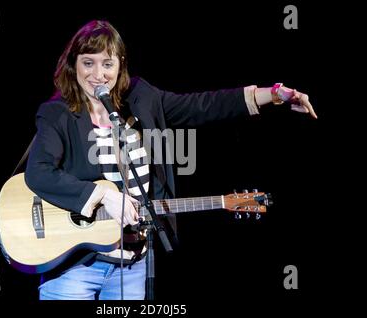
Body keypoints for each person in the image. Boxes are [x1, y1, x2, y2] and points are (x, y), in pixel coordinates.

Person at [24, 20, 317, 300]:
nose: (98, 74)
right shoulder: (57, 113)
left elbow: (203, 106)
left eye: (107, 63)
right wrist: (101, 196)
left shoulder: (141, 98)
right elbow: (38, 173)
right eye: (88, 62)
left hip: (134, 264)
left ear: (120, 65)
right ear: (74, 64)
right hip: (76, 267)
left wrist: (274, 94)